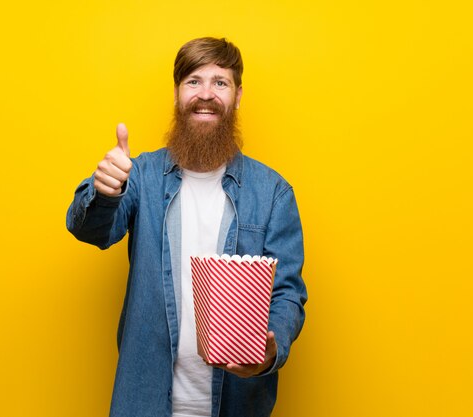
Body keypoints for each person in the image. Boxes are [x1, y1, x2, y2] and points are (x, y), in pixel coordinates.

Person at [66, 37, 307, 417]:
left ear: (238, 95)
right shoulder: (141, 176)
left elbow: (287, 293)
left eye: (220, 82)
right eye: (193, 81)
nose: (206, 94)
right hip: (145, 401)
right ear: (178, 94)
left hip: (235, 404)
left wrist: (270, 350)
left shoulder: (273, 192)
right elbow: (93, 230)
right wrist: (105, 191)